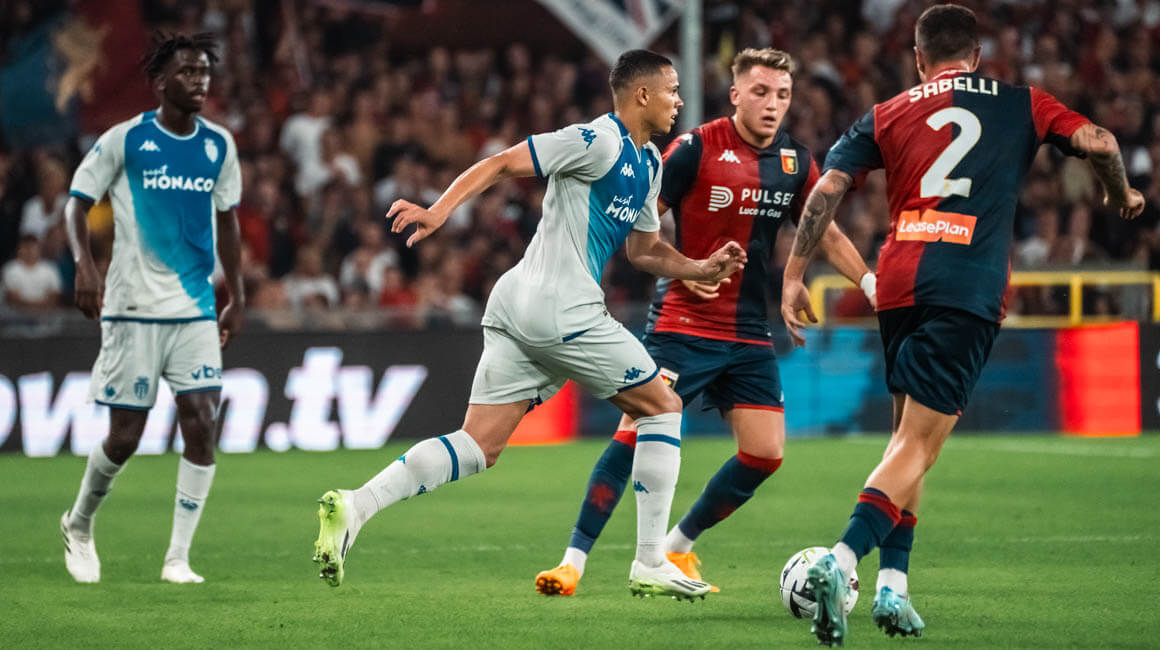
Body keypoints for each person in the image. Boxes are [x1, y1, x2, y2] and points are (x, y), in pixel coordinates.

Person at [312, 50, 746, 600]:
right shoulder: (597, 140)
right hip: (562, 308)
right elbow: (501, 162)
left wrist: (699, 268)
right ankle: (650, 560)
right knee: (662, 406)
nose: (679, 100)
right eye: (672, 90)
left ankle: (357, 505)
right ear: (642, 95)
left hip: (519, 305)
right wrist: (439, 210)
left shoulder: (649, 165)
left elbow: (644, 251)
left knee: (479, 445)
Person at [779, 5, 1145, 645]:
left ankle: (893, 588)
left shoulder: (887, 111)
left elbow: (827, 189)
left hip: (898, 282)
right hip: (966, 284)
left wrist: (794, 273)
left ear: (919, 59)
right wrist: (1119, 193)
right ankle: (840, 561)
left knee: (906, 442)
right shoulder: (1023, 102)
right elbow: (1103, 143)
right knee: (919, 447)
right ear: (977, 56)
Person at [533, 48, 875, 597]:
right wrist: (684, 269)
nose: (772, 104)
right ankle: (572, 561)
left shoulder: (794, 160)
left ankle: (678, 544)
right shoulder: (694, 148)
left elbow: (824, 232)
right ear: (735, 95)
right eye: (760, 92)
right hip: (682, 325)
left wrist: (868, 284)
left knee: (764, 454)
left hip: (747, 332)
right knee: (634, 434)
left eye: (783, 95)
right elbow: (640, 223)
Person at [60, 32, 244, 585]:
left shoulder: (219, 145)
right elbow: (76, 204)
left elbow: (228, 220)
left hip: (194, 308)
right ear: (161, 82)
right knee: (125, 437)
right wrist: (85, 265)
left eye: (204, 72)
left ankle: (177, 559)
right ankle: (78, 523)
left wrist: (236, 294)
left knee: (202, 423)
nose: (199, 80)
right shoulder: (126, 139)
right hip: (133, 307)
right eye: (188, 72)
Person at [2, 234, 62, 310]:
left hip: (45, 314)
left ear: (39, 249)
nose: (29, 251)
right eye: (26, 247)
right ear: (19, 249)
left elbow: (55, 297)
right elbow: (13, 298)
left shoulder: (50, 269)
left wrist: (34, 306)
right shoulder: (10, 268)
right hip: (15, 315)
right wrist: (38, 305)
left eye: (32, 247)